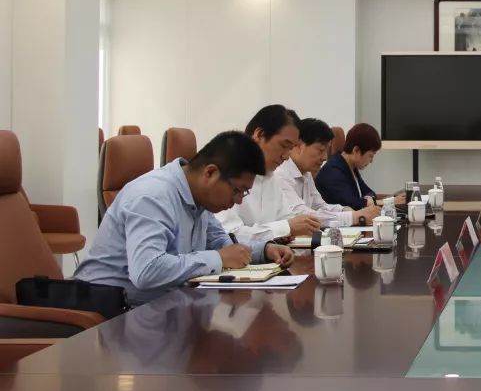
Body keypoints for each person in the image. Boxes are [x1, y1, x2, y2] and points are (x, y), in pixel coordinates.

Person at [74, 131, 294, 305]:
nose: (237, 201)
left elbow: (220, 243)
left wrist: (263, 251)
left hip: (162, 306)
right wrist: (218, 258)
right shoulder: (152, 196)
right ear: (210, 173)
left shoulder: (199, 198)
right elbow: (147, 271)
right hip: (110, 312)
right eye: (237, 190)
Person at [216, 105, 322, 246]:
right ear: (259, 134)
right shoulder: (225, 171)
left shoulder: (271, 176)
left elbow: (285, 218)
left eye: (290, 149)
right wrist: (285, 228)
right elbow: (229, 235)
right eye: (284, 145)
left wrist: (288, 230)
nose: (286, 157)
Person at [276, 118, 381, 226]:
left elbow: (320, 206)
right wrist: (355, 217)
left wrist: (345, 210)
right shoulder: (280, 174)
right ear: (299, 145)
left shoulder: (306, 174)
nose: (325, 157)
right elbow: (302, 215)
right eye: (321, 150)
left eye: (326, 151)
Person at [316, 123, 403, 209]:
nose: (371, 161)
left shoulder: (350, 166)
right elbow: (351, 203)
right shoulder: (333, 171)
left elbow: (369, 192)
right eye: (370, 155)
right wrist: (387, 202)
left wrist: (369, 200)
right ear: (356, 150)